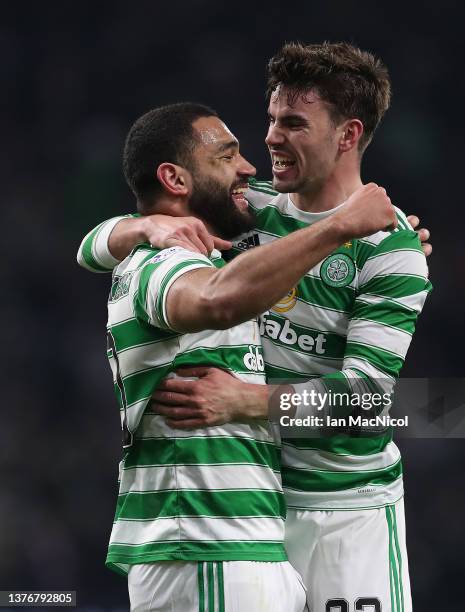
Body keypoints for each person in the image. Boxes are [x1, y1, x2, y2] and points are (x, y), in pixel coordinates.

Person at [78, 42, 431, 611]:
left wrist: (245, 402)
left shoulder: (391, 250)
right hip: (254, 506)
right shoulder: (248, 209)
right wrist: (142, 227)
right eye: (270, 119)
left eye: (293, 123)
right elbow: (92, 250)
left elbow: (368, 405)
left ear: (347, 135)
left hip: (344, 507)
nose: (269, 139)